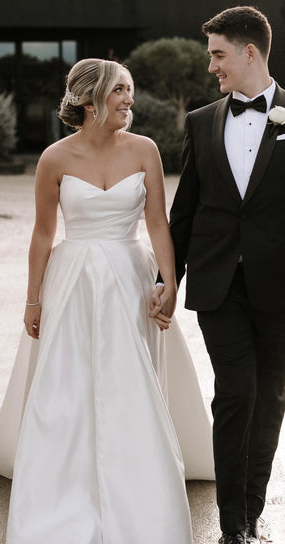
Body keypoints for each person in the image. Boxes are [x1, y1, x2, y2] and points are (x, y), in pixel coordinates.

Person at [0, 58, 215, 544]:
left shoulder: (145, 150)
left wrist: (168, 282)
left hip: (130, 276)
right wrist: (32, 301)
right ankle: (63, 489)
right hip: (73, 280)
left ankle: (138, 489)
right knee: (68, 384)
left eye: (130, 89)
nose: (130, 99)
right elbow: (43, 235)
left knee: (130, 380)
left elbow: (158, 225)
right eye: (120, 91)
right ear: (90, 101)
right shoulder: (54, 159)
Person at [150, 6, 285, 544]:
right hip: (218, 284)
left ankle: (252, 508)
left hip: (280, 288)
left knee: (272, 396)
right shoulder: (201, 121)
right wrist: (169, 278)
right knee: (237, 392)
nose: (212, 66)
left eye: (218, 54)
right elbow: (186, 211)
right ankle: (232, 525)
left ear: (249, 52)